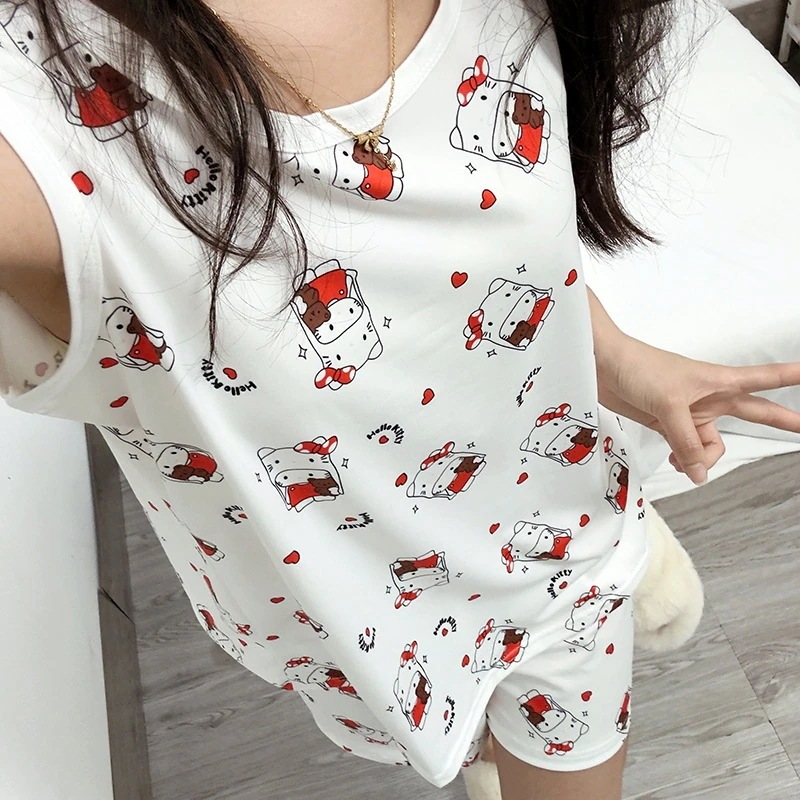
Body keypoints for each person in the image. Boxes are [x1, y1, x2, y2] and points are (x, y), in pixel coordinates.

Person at [1, 1, 798, 798]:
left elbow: (488, 241)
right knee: (468, 742)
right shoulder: (36, 119)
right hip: (369, 628)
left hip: (565, 541)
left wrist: (616, 356)